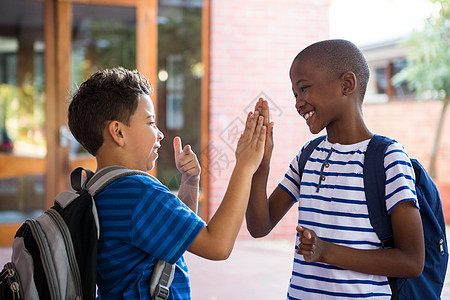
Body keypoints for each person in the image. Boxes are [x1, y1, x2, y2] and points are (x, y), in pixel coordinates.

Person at [245, 39, 425, 299]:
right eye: (295, 94)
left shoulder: (387, 157)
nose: (298, 103)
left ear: (346, 85)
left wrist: (326, 251)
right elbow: (259, 226)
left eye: (304, 89)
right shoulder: (307, 155)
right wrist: (260, 164)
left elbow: (411, 261)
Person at [68, 67, 266, 299]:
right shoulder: (139, 192)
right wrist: (246, 166)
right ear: (118, 132)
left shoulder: (98, 191)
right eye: (151, 123)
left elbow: (177, 233)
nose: (160, 133)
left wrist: (190, 182)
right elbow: (218, 245)